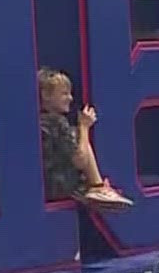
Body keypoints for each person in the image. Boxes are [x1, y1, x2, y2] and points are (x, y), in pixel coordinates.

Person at [37, 67, 134, 209]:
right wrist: (84, 127)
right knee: (79, 135)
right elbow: (80, 161)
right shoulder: (57, 122)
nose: (70, 98)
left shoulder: (39, 121)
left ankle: (97, 186)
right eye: (64, 94)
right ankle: (97, 186)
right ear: (46, 95)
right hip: (59, 186)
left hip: (45, 186)